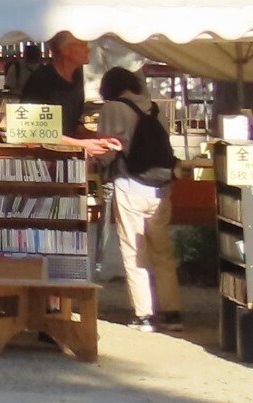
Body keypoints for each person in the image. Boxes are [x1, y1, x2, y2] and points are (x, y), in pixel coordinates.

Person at [97, 67, 183, 331]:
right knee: (163, 251)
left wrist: (101, 168)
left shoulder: (112, 108)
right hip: (160, 187)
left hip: (129, 184)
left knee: (135, 251)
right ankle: (172, 312)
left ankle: (144, 314)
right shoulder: (155, 108)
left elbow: (106, 150)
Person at [19, 32, 123, 160]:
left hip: (68, 161)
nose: (88, 49)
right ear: (65, 50)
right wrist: (81, 145)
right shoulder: (41, 80)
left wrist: (99, 138)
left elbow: (74, 124)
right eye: (82, 45)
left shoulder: (77, 77)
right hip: (42, 163)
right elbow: (30, 132)